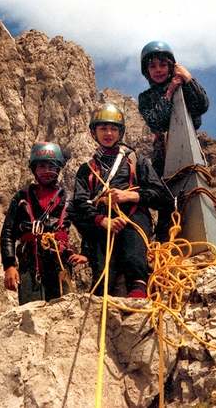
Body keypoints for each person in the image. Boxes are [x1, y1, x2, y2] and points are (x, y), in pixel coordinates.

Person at [70, 103, 174, 299]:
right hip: (103, 224)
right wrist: (103, 221)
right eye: (103, 128)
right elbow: (80, 204)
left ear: (120, 132)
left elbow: (162, 195)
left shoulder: (135, 159)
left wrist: (129, 195)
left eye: (113, 128)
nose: (108, 133)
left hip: (134, 218)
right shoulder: (87, 169)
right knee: (102, 276)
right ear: (94, 132)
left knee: (134, 259)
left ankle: (138, 291)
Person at [0, 142, 87, 305]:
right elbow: (8, 232)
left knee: (63, 310)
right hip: (30, 263)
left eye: (52, 166)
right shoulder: (21, 199)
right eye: (42, 166)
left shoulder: (69, 200)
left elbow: (87, 229)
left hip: (60, 261)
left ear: (59, 168)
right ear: (34, 169)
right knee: (30, 312)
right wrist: (9, 266)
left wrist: (86, 253)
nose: (47, 171)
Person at [138, 40, 209, 178]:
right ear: (147, 71)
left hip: (189, 149)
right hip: (162, 158)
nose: (158, 70)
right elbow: (156, 122)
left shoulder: (184, 86)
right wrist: (169, 93)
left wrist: (188, 78)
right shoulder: (145, 97)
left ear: (171, 67)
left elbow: (202, 106)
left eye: (163, 65)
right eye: (152, 66)